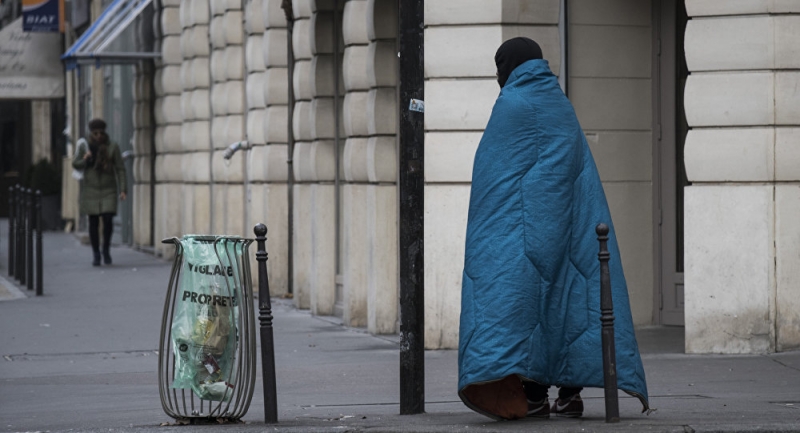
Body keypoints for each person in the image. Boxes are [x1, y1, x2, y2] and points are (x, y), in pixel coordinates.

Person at [457, 37, 650, 420]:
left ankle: (532, 392)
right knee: (569, 302)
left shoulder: (510, 104)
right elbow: (577, 174)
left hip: (524, 231)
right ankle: (569, 393)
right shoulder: (560, 104)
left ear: (508, 66)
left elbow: (495, 176)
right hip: (569, 228)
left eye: (500, 66)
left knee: (523, 307)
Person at [72, 118, 127, 266]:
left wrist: (123, 189)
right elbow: (75, 163)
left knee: (108, 219)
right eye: (95, 133)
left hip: (108, 189)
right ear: (91, 133)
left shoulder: (112, 146)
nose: (98, 136)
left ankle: (106, 249)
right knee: (93, 222)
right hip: (91, 190)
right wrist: (85, 158)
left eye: (101, 133)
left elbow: (120, 169)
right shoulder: (85, 146)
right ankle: (96, 253)